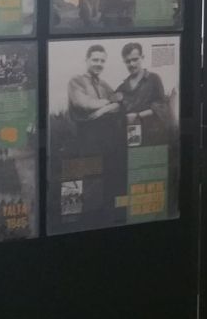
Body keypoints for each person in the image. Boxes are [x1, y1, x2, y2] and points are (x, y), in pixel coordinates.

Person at [66, 44, 120, 216]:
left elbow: (118, 103)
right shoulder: (76, 81)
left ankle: (101, 217)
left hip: (105, 139)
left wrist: (104, 109)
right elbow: (83, 104)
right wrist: (106, 105)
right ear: (87, 60)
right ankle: (76, 219)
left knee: (105, 179)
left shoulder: (104, 84)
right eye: (95, 59)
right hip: (84, 138)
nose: (99, 64)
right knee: (83, 178)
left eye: (102, 61)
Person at [114, 41, 171, 150]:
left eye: (135, 59)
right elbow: (115, 104)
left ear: (142, 57)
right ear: (124, 62)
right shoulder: (123, 86)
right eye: (128, 61)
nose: (132, 64)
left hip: (151, 133)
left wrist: (138, 115)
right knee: (133, 157)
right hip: (130, 135)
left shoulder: (154, 79)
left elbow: (162, 106)